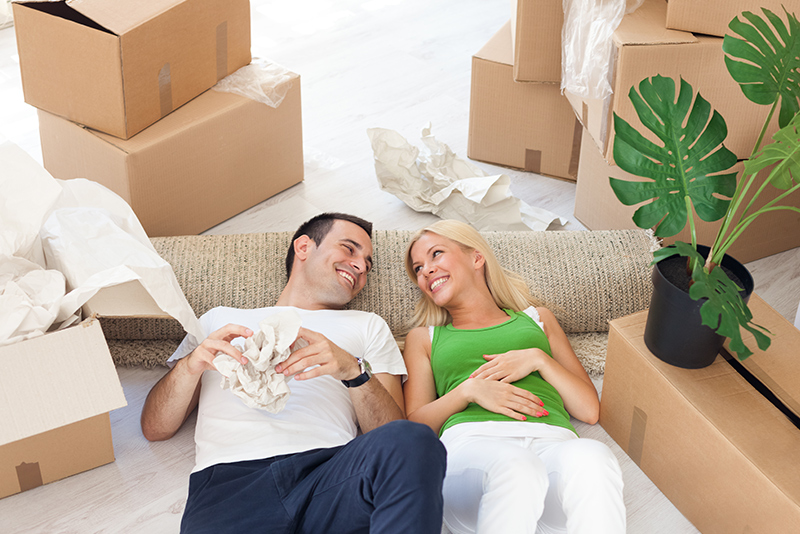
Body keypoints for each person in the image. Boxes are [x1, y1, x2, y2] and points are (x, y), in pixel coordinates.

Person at [141, 213, 446, 534]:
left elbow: (389, 434)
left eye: (368, 265)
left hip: (329, 477)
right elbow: (155, 427)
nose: (360, 266)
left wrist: (352, 372)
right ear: (303, 246)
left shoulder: (367, 325)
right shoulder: (219, 320)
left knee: (414, 439)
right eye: (349, 249)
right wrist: (191, 365)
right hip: (230, 489)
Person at [403, 220, 625, 534]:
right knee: (518, 467)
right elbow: (414, 427)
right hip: (472, 451)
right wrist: (468, 391)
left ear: (476, 258)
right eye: (418, 268)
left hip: (552, 444)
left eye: (436, 254)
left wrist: (538, 360)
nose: (426, 270)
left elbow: (589, 410)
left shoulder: (538, 319)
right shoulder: (425, 338)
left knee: (593, 456)